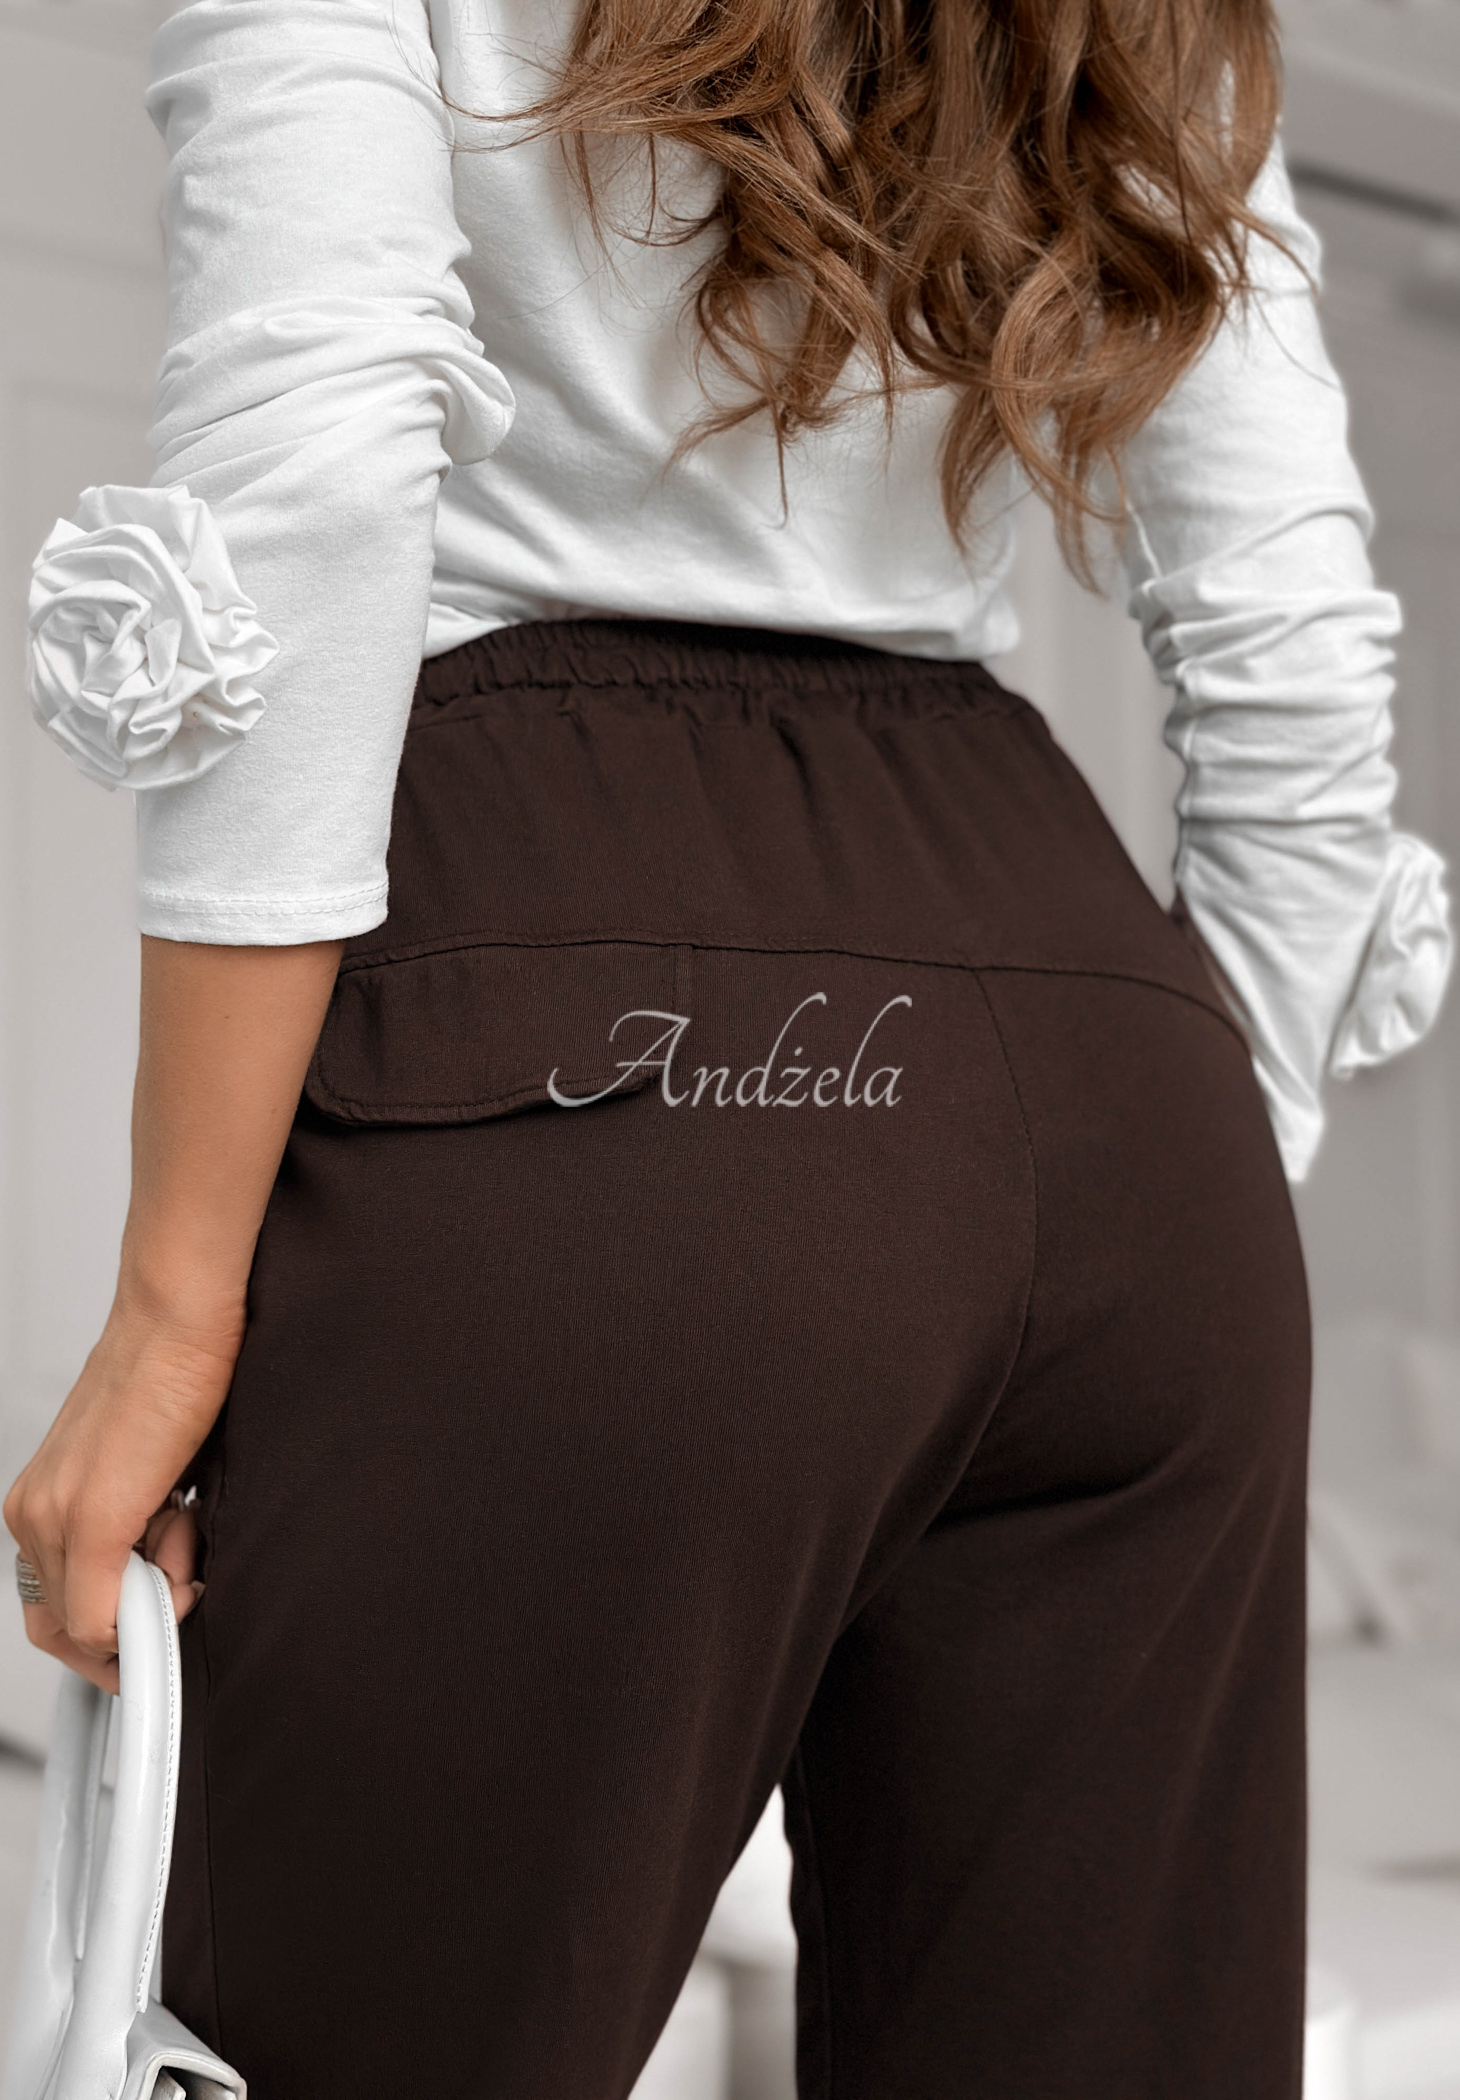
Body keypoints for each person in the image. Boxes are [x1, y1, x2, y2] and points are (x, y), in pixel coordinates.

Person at [5, 0, 1453, 2093]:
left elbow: (315, 450)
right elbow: (1291, 622)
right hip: (1097, 1029)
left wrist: (171, 1304)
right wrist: (1189, 1174)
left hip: (581, 986)